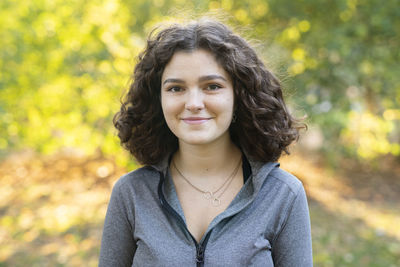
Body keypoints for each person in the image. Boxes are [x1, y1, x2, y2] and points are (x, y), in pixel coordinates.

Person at [99, 18, 312, 267]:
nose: (193, 103)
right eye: (176, 88)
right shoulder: (131, 193)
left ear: (239, 95)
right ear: (158, 100)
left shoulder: (283, 194)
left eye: (212, 86)